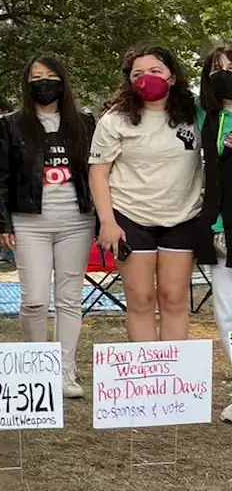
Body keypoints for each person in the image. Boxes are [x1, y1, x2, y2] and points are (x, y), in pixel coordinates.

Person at [0, 54, 96, 397]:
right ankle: (37, 366)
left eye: (50, 75)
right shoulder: (9, 125)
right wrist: (3, 220)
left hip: (76, 222)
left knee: (69, 297)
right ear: (26, 83)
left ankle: (65, 371)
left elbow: (97, 172)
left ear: (63, 81)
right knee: (34, 298)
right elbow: (0, 177)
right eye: (36, 76)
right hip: (28, 221)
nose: (43, 82)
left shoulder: (85, 123)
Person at [90, 46, 202, 342]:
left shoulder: (196, 113)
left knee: (174, 297)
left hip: (183, 218)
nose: (146, 79)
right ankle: (147, 379)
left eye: (155, 71)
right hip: (130, 217)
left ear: (173, 76)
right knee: (140, 299)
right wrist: (107, 222)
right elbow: (98, 172)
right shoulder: (114, 119)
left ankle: (173, 376)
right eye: (137, 74)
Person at [197, 44, 232, 422]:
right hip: (218, 227)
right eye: (216, 69)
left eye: (230, 67)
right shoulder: (203, 115)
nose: (224, 74)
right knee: (226, 314)